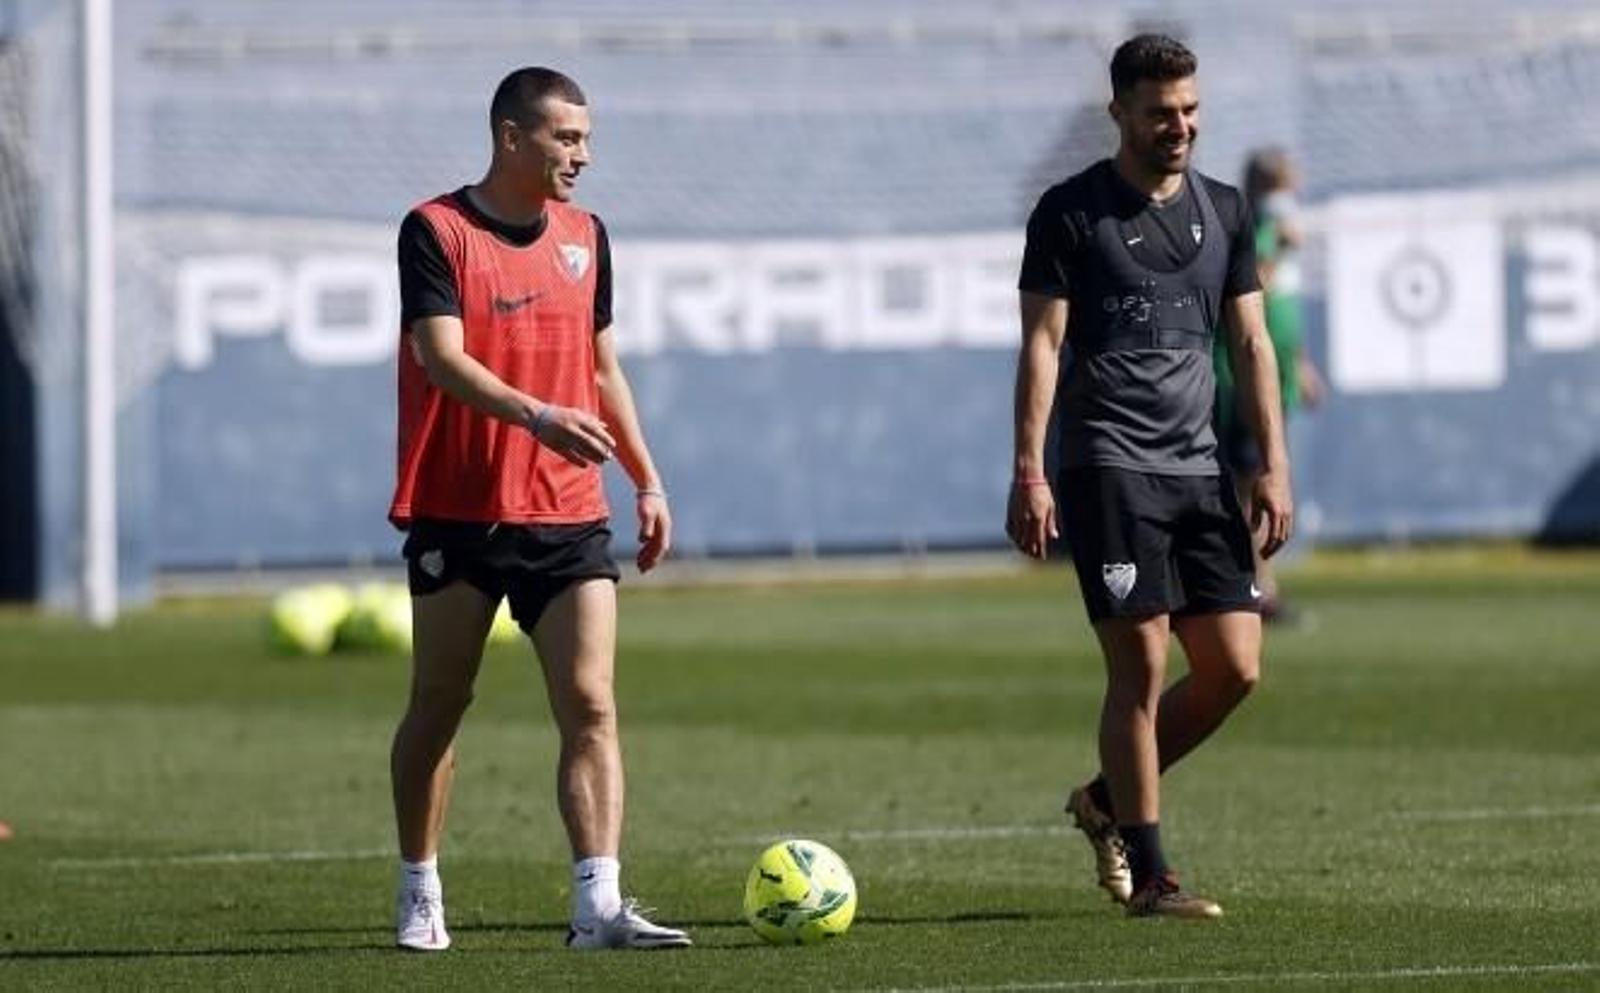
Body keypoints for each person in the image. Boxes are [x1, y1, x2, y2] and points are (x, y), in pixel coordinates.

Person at [387, 66, 689, 952]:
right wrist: (538, 415)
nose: (582, 156)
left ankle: (598, 903)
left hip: (567, 511)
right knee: (441, 703)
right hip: (460, 509)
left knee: (591, 703)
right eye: (565, 138)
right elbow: (442, 359)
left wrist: (648, 477)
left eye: (586, 139)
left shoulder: (588, 236)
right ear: (511, 138)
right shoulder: (434, 230)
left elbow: (602, 368)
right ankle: (420, 886)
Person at [1007, 34, 1292, 918]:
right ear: (1121, 114)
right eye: (1162, 113)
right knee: (1138, 661)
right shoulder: (1069, 212)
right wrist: (1031, 468)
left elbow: (1251, 342)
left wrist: (1274, 465)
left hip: (1201, 470)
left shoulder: (1227, 210)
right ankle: (1154, 873)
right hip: (1109, 466)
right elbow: (1043, 345)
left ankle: (1102, 801)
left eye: (1192, 111)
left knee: (1235, 668)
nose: (1181, 127)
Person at [1214, 147, 1324, 623]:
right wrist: (1276, 246)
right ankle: (1254, 588)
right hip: (1244, 381)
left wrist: (1300, 362)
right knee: (1251, 483)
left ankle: (1259, 585)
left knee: (1263, 477)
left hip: (1277, 374)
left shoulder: (1273, 232)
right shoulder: (1249, 227)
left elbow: (1282, 310)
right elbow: (1247, 289)